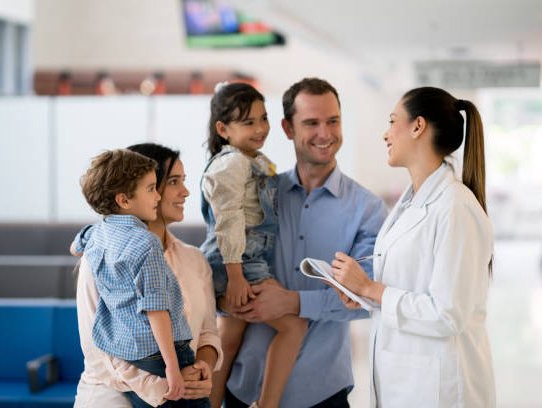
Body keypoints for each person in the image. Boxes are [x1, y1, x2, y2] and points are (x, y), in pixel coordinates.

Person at [222, 77, 387, 408]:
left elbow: (368, 300)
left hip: (323, 392)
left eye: (333, 121)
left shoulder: (367, 210)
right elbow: (223, 270)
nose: (325, 134)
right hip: (243, 390)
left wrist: (293, 302)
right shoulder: (257, 195)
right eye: (311, 123)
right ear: (287, 128)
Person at [331, 87, 496, 406]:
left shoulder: (455, 207)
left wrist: (371, 288)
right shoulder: (411, 204)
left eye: (393, 121)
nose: (385, 134)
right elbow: (410, 287)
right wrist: (364, 295)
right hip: (405, 382)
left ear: (418, 126)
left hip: (441, 389)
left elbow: (448, 313)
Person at [72, 147, 216, 408]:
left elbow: (207, 334)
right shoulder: (107, 254)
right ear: (126, 198)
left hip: (176, 382)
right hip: (112, 395)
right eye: (172, 182)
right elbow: (101, 351)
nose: (185, 191)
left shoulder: (195, 259)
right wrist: (168, 381)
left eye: (184, 181)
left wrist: (201, 369)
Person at [200, 82, 307, 408]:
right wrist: (236, 277)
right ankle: (267, 404)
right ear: (223, 128)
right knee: (294, 326)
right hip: (239, 264)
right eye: (248, 122)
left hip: (239, 262)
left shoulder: (252, 160)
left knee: (228, 342)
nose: (261, 128)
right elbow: (228, 220)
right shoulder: (232, 163)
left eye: (263, 118)